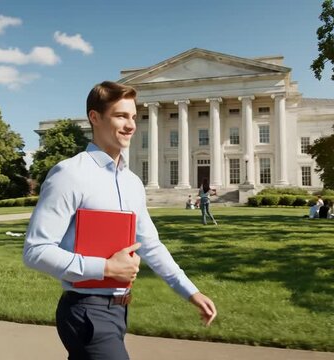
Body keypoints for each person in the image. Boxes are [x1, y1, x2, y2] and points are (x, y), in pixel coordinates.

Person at [23, 81, 216, 360]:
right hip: (86, 311)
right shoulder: (70, 174)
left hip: (119, 310)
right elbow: (35, 251)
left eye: (134, 117)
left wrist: (190, 291)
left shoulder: (132, 182)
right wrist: (106, 267)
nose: (131, 125)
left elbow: (150, 244)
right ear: (95, 117)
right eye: (121, 116)